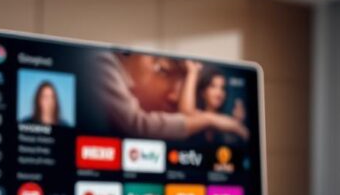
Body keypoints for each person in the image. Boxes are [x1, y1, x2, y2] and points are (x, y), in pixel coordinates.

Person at [95, 52, 249, 141]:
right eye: (213, 86)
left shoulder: (226, 122)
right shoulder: (102, 63)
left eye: (222, 88)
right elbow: (186, 111)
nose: (219, 92)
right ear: (203, 91)